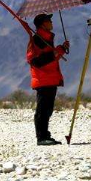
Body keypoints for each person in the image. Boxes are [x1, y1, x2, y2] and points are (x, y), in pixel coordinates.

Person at [27, 13, 69, 145]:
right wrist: (57, 51)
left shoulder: (47, 38)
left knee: (48, 109)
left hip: (50, 78)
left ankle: (46, 135)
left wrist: (61, 50)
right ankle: (41, 137)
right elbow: (35, 61)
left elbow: (51, 58)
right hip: (43, 79)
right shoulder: (37, 40)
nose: (51, 22)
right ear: (43, 24)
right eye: (49, 20)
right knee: (43, 110)